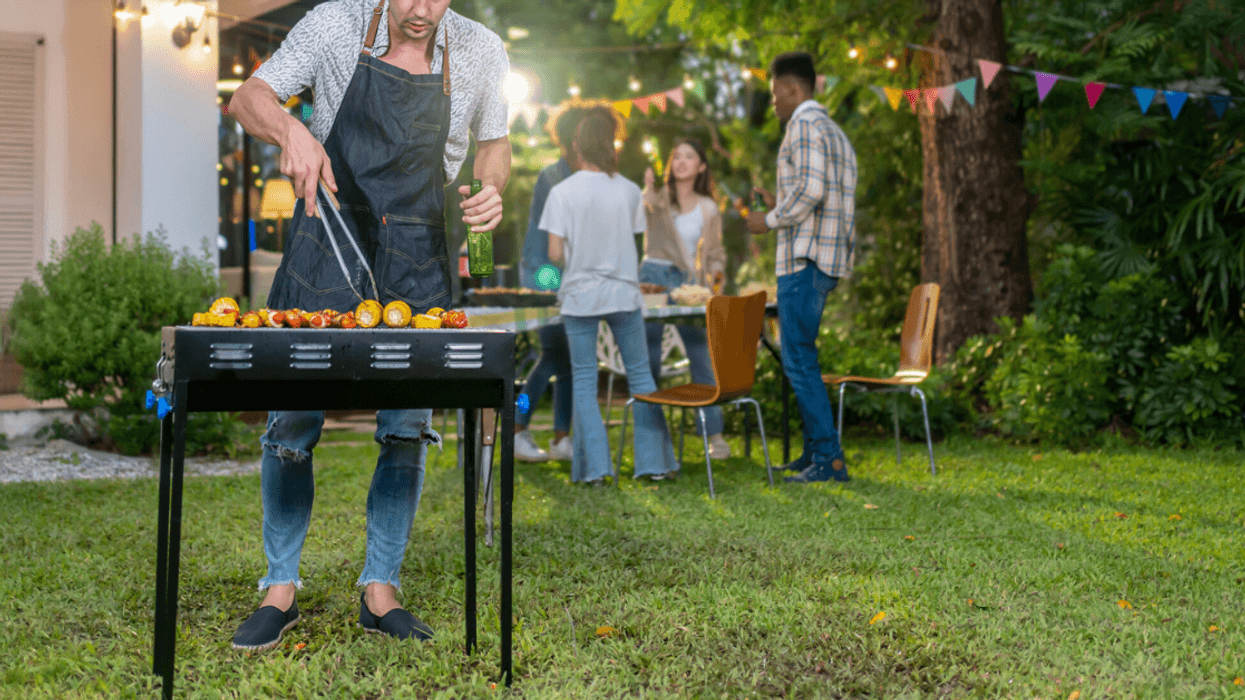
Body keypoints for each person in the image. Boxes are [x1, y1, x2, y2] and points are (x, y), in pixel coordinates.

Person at [226, 0, 511, 650]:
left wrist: (492, 185)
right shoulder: (335, 24)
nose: (420, 10)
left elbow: (494, 141)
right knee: (292, 420)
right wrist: (290, 131)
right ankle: (279, 589)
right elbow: (250, 97)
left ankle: (380, 592)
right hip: (327, 229)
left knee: (407, 426)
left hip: (418, 247)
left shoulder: (479, 48)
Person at [541, 106, 680, 485]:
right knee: (641, 376)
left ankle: (595, 470)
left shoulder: (561, 192)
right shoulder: (630, 190)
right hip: (623, 293)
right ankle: (652, 465)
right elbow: (633, 234)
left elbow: (553, 255)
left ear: (575, 146)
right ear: (611, 147)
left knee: (585, 380)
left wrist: (573, 256)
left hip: (579, 296)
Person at [745, 51, 857, 484]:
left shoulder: (803, 126)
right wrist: (779, 204)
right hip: (823, 256)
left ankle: (828, 460)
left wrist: (767, 220)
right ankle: (814, 453)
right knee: (801, 356)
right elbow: (822, 194)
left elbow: (810, 190)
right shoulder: (833, 131)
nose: (774, 104)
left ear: (793, 90)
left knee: (798, 359)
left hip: (804, 258)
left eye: (776, 96)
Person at [638, 139, 730, 459]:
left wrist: (716, 280)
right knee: (649, 357)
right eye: (676, 155)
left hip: (687, 285)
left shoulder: (709, 207)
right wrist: (648, 189)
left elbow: (715, 253)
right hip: (652, 279)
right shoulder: (658, 198)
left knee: (701, 353)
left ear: (701, 166)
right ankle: (653, 435)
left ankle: (714, 436)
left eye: (689, 156)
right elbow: (645, 211)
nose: (681, 161)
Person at [513, 105, 590, 463]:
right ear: (573, 139)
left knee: (566, 358)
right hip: (543, 271)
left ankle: (561, 438)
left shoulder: (586, 174)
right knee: (553, 354)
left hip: (566, 272)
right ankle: (517, 424)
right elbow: (560, 244)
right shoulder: (554, 177)